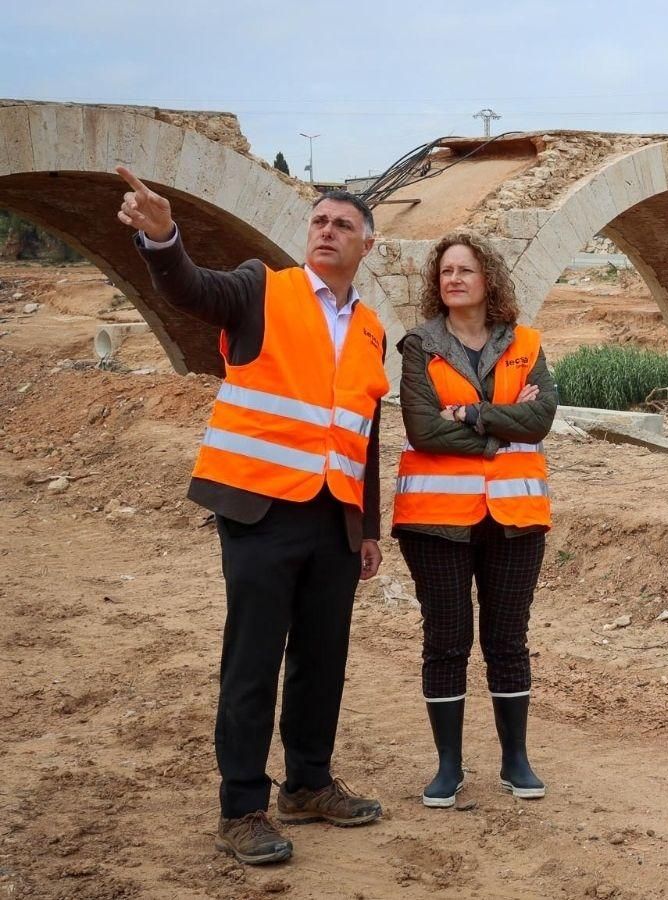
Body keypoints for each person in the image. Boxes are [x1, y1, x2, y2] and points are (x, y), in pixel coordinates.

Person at [118, 166, 387, 865]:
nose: (327, 232)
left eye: (343, 226)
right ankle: (241, 807)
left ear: (368, 245)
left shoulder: (370, 330)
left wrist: (367, 529)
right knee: (254, 660)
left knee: (322, 658)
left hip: (334, 515)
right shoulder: (262, 288)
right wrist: (163, 240)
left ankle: (309, 783)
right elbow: (191, 288)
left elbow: (364, 433)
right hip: (260, 509)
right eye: (320, 222)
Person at [392, 231, 558, 809]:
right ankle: (449, 766)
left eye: (465, 269)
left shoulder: (526, 342)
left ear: (489, 278)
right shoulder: (419, 346)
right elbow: (422, 428)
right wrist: (495, 433)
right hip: (436, 520)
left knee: (507, 639)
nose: (454, 279)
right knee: (447, 641)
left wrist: (471, 412)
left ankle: (516, 761)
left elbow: (539, 419)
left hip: (514, 516)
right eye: (445, 272)